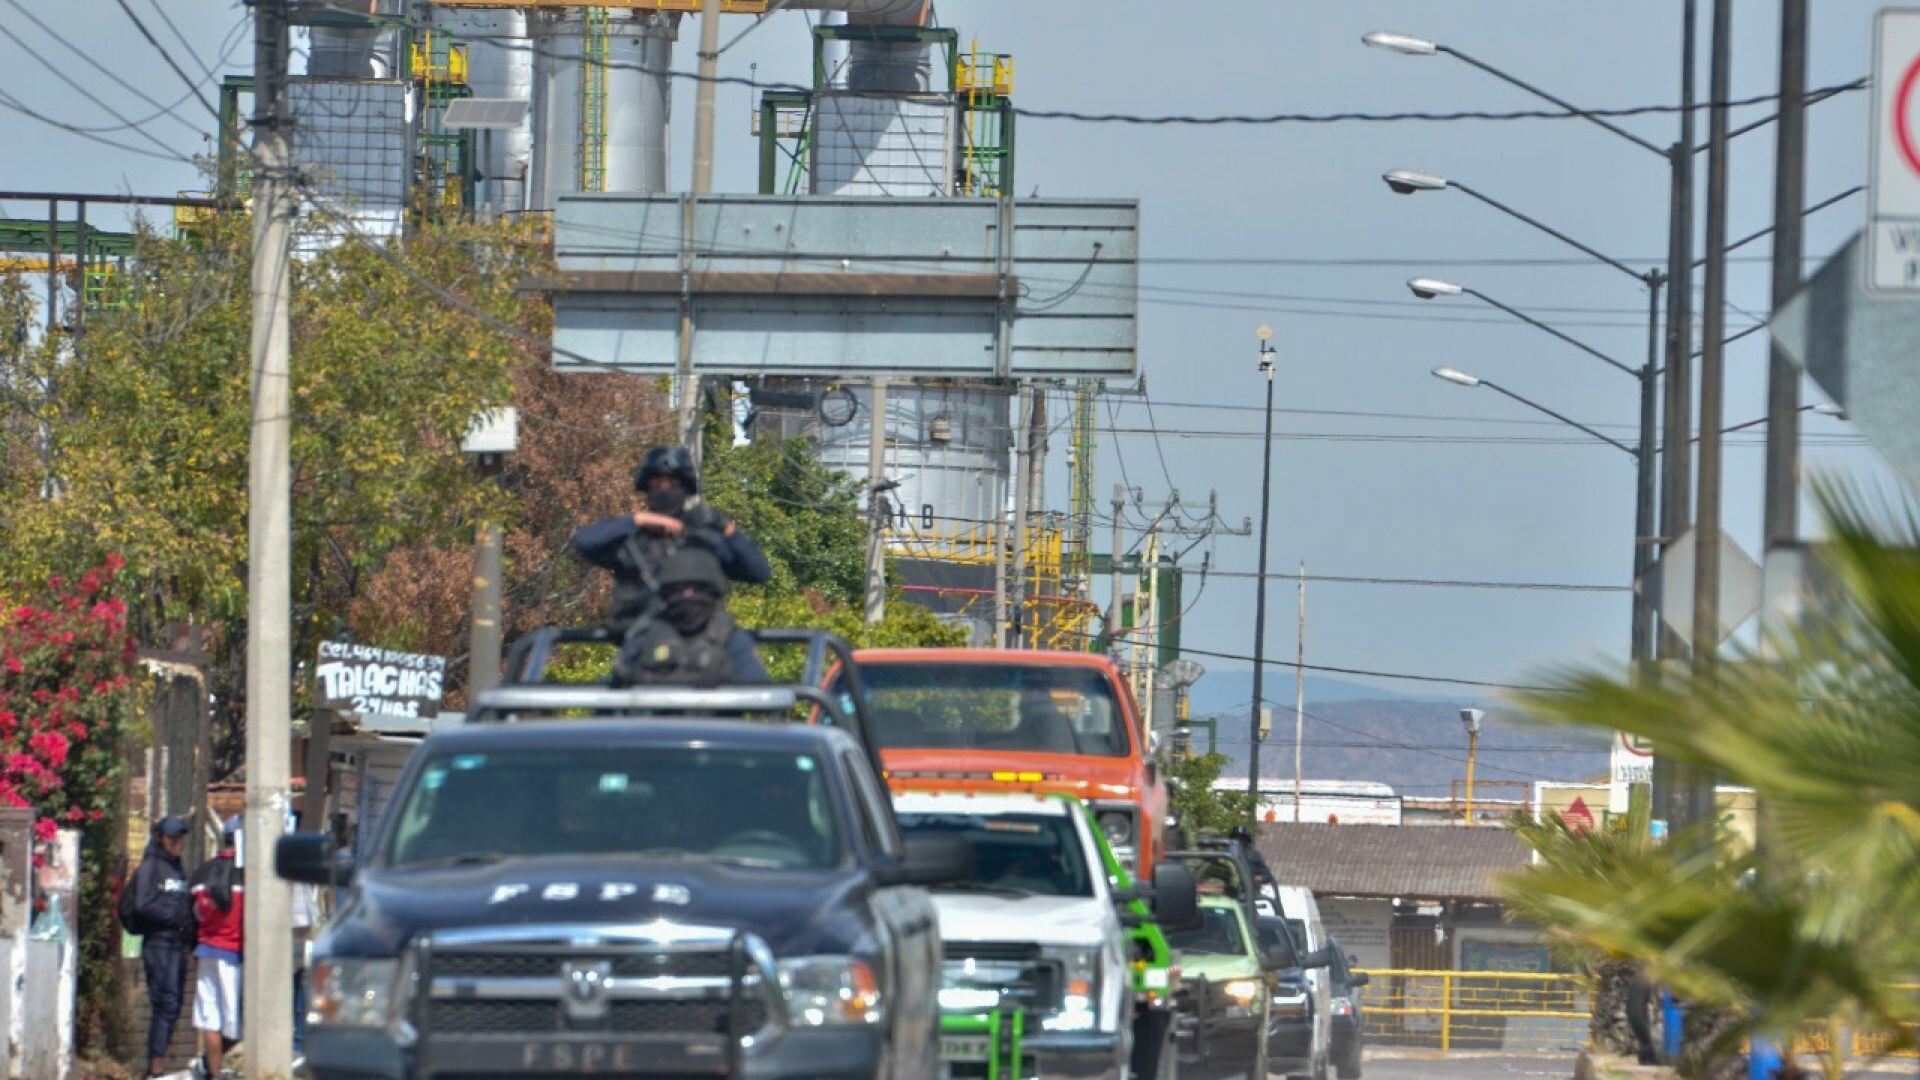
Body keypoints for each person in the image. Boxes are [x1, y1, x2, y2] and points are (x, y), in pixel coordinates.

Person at [573, 446, 772, 630]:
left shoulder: (704, 538)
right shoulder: (631, 539)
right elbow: (585, 541)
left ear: (685, 487)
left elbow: (759, 572)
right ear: (646, 487)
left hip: (701, 647)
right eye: (657, 482)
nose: (664, 488)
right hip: (642, 648)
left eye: (673, 483)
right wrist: (638, 520)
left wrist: (727, 528)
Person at [611, 548, 769, 687]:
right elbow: (615, 690)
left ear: (712, 593)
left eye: (696, 589)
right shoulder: (645, 637)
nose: (687, 597)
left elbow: (757, 689)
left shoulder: (730, 639)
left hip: (714, 720)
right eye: (678, 590)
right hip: (655, 720)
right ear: (666, 594)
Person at [131, 816, 196, 1078]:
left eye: (181, 837)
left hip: (177, 945)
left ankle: (159, 1064)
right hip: (159, 945)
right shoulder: (151, 866)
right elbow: (142, 904)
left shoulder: (177, 867)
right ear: (161, 838)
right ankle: (156, 1067)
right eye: (172, 837)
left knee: (175, 1004)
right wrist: (173, 915)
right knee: (166, 1003)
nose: (178, 842)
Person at [190, 818, 245, 1079]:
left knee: (209, 1017)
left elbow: (191, 914)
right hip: (234, 955)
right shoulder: (246, 875)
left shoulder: (201, 873)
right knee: (238, 1021)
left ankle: (212, 1071)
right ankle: (213, 1066)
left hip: (206, 950)